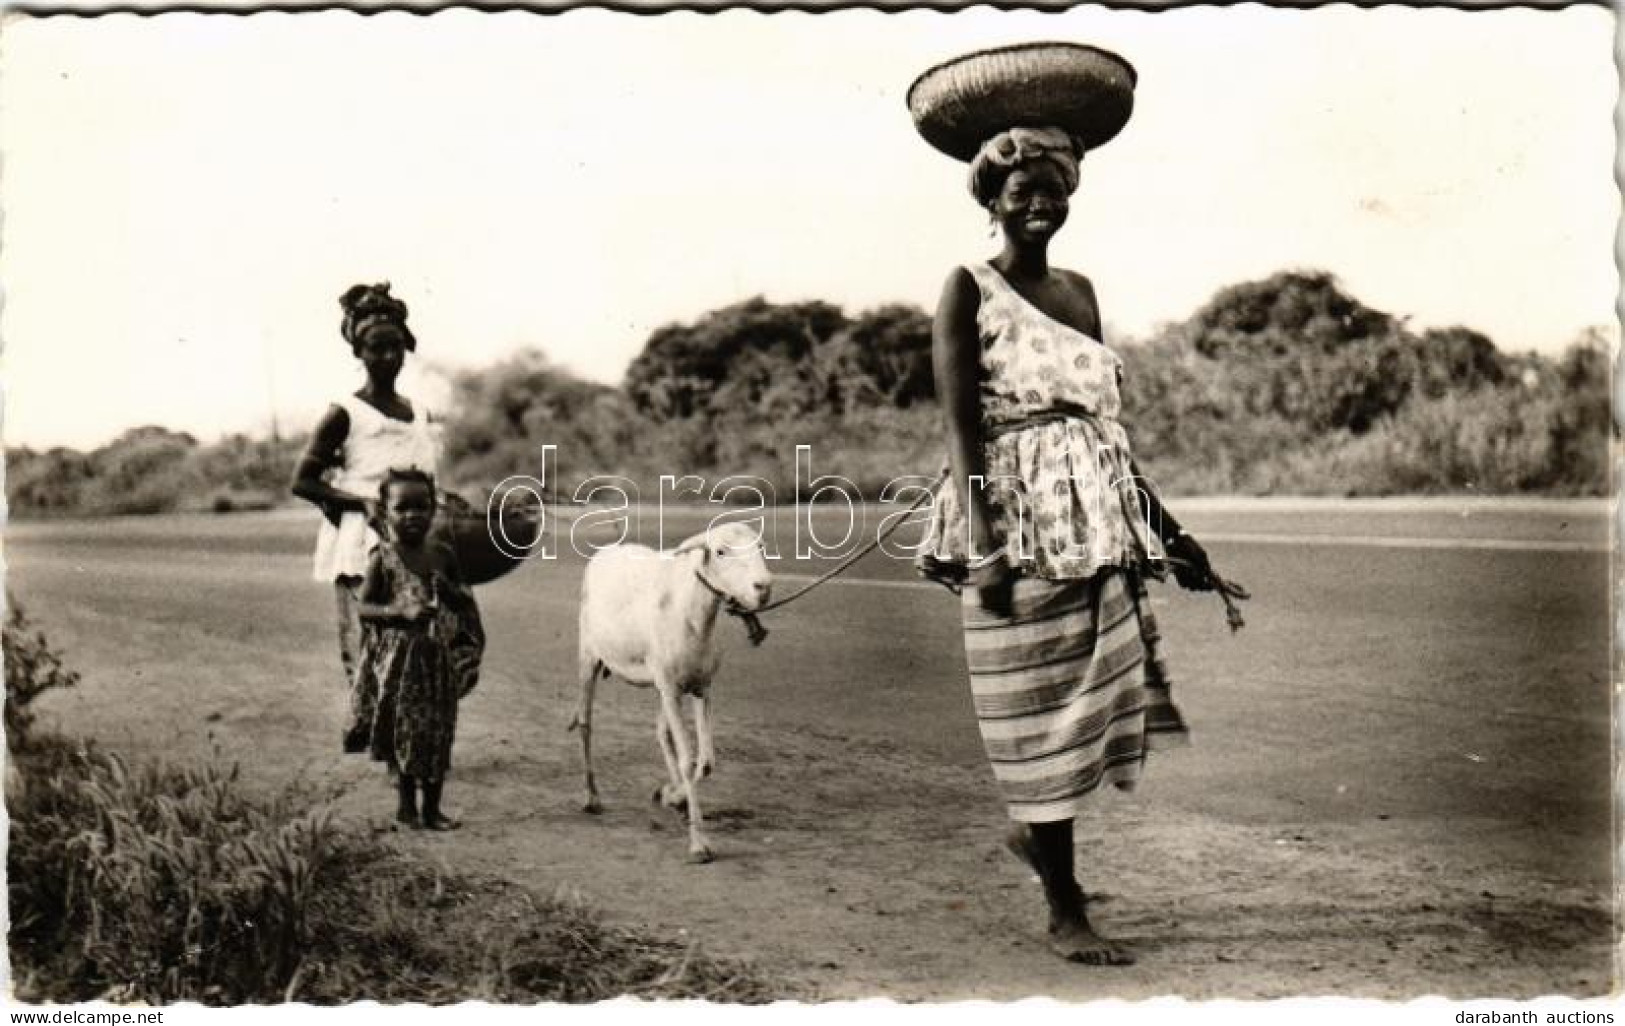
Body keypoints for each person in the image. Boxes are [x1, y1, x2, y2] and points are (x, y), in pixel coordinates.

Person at [919, 125, 1218, 965]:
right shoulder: (965, 287)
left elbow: (1104, 434)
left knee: (1091, 698)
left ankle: (1038, 847)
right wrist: (983, 539)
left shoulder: (1081, 291)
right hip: (1015, 524)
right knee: (1032, 716)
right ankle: (1063, 912)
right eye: (1023, 193)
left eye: (1054, 190)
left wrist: (1171, 533)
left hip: (1094, 523)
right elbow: (960, 424)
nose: (1041, 204)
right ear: (993, 202)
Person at [291, 283, 475, 748]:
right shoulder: (344, 412)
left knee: (437, 633)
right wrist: (362, 504)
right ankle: (380, 732)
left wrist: (449, 503)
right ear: (359, 350)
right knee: (374, 637)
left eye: (396, 347)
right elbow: (304, 481)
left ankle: (416, 729)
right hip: (362, 540)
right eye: (377, 347)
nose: (388, 357)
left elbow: (423, 478)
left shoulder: (417, 414)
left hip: (416, 537)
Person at [351, 467, 481, 830]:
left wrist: (453, 594)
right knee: (404, 731)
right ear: (384, 511)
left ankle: (433, 810)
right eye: (402, 508)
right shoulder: (384, 557)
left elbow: (465, 601)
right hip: (398, 663)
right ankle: (407, 807)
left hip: (438, 661)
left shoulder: (442, 554)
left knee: (439, 731)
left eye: (422, 507)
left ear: (434, 509)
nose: (413, 516)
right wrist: (398, 611)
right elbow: (363, 608)